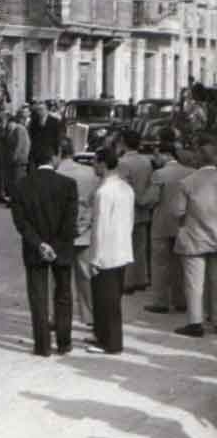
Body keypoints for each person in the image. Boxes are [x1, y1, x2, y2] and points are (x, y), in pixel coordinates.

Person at [11, 148, 78, 357]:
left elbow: (20, 223)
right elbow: (69, 222)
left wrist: (40, 244)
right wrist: (55, 246)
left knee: (38, 296)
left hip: (34, 248)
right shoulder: (68, 184)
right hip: (62, 248)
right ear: (54, 158)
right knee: (64, 294)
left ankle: (42, 346)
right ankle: (64, 342)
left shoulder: (21, 185)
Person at [87, 148, 135, 354]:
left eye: (95, 162)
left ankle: (111, 342)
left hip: (106, 251)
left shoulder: (103, 192)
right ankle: (103, 334)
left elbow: (100, 227)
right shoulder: (126, 188)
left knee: (105, 298)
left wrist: (95, 257)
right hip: (122, 247)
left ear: (103, 164)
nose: (92, 166)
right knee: (110, 297)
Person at [171, 133, 217, 337]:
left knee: (194, 283)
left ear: (199, 156)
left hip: (194, 237)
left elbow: (177, 211)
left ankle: (195, 322)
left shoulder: (187, 182)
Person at [142, 142, 194, 315]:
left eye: (157, 155)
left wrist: (141, 200)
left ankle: (160, 301)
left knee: (160, 265)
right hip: (183, 225)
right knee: (181, 265)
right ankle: (181, 301)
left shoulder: (159, 174)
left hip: (161, 224)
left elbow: (151, 198)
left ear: (166, 155)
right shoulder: (191, 173)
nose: (156, 159)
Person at [56, 138, 99, 327]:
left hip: (60, 233)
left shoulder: (56, 174)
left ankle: (59, 316)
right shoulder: (90, 173)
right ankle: (89, 315)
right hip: (84, 231)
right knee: (85, 277)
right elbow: (94, 202)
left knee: (59, 279)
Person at [117, 130, 153, 293]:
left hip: (128, 209)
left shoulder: (122, 162)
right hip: (143, 206)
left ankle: (128, 281)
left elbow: (121, 186)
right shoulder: (146, 161)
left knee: (126, 246)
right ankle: (142, 278)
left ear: (124, 142)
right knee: (140, 246)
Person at [5, 115, 31, 204]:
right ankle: (15, 199)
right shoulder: (13, 130)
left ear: (12, 123)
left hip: (20, 158)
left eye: (8, 124)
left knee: (18, 179)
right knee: (15, 179)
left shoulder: (19, 129)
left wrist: (14, 156)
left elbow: (19, 145)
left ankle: (18, 200)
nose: (8, 126)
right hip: (17, 159)